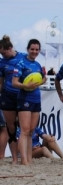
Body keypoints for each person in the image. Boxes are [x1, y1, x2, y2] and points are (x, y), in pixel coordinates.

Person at [11, 39, 44, 166]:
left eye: (37, 49)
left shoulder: (38, 65)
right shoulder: (20, 63)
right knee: (24, 131)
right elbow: (14, 82)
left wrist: (41, 81)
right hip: (24, 99)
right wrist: (25, 85)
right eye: (32, 49)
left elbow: (42, 79)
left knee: (31, 131)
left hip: (36, 98)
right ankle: (23, 160)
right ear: (28, 49)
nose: (34, 51)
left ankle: (29, 159)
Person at [0, 35, 21, 163]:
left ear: (10, 48)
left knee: (24, 128)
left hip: (23, 95)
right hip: (7, 96)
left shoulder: (22, 57)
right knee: (10, 128)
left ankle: (24, 156)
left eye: (3, 53)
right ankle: (14, 158)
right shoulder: (2, 63)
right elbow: (1, 83)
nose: (2, 56)